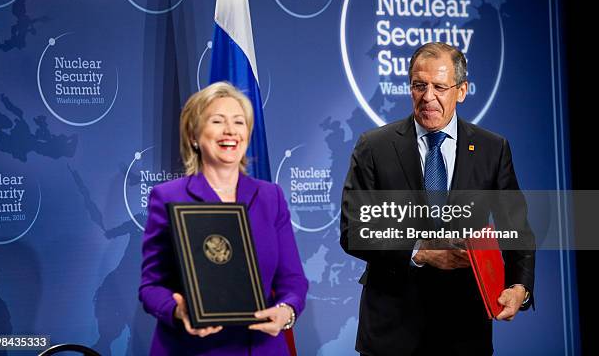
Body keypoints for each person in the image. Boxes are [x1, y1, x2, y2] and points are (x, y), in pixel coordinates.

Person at [340, 42, 535, 355]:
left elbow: (517, 229)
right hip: (391, 331)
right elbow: (353, 232)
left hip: (464, 330)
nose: (427, 96)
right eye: (419, 85)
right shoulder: (374, 147)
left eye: (439, 86)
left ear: (461, 90)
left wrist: (519, 288)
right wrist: (420, 252)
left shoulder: (492, 149)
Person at [139, 82, 308, 355]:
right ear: (194, 135)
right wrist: (178, 310)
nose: (231, 131)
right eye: (218, 121)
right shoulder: (168, 197)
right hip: (192, 348)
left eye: (239, 122)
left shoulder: (270, 197)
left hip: (261, 347)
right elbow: (151, 286)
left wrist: (286, 311)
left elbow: (293, 281)